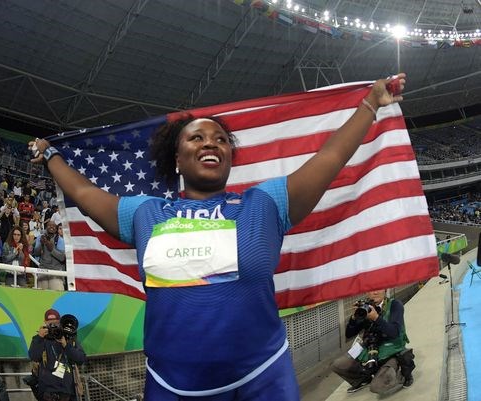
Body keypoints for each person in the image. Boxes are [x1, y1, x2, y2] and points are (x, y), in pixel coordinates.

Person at [29, 74, 406, 400]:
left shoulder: (264, 204)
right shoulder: (146, 212)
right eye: (197, 137)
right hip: (169, 385)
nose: (210, 143)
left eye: (220, 139)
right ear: (177, 158)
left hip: (262, 378)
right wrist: (50, 157)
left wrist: (370, 104)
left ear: (229, 156)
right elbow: (82, 195)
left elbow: (329, 158)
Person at [331, 289, 415, 395]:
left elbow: (394, 333)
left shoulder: (394, 305)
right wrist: (354, 317)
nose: (375, 293)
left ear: (385, 290)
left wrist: (376, 318)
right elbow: (349, 334)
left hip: (392, 350)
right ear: (367, 293)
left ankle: (402, 374)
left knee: (377, 387)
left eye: (378, 289)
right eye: (371, 290)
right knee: (337, 365)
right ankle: (363, 379)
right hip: (371, 349)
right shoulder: (366, 308)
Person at [28, 309, 86, 401]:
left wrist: (65, 345)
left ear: (60, 322)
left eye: (55, 323)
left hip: (69, 391)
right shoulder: (39, 339)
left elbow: (81, 359)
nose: (53, 326)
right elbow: (34, 357)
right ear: (45, 323)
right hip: (47, 392)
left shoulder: (68, 338)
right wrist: (39, 338)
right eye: (50, 324)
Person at [32, 221, 65, 291]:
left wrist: (51, 248)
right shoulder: (40, 237)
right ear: (46, 227)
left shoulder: (60, 240)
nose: (51, 227)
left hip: (56, 272)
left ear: (56, 229)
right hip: (43, 270)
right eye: (49, 225)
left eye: (53, 226)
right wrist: (41, 244)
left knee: (56, 295)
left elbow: (62, 258)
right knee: (41, 296)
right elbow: (36, 253)